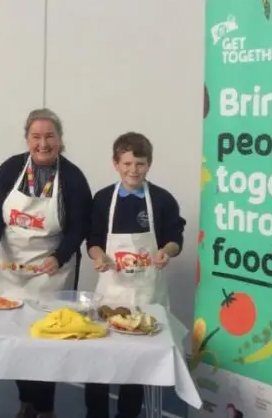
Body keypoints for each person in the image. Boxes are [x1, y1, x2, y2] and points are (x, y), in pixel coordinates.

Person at [0, 108, 92, 418]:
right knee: (16, 337)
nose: (43, 144)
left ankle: (45, 407)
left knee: (47, 340)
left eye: (50, 136)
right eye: (36, 137)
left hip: (52, 270)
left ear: (60, 139)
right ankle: (26, 400)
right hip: (12, 268)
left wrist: (59, 257)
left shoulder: (72, 177)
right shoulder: (10, 169)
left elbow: (80, 226)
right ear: (27, 139)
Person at [84, 132, 185, 418]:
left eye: (140, 164)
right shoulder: (104, 199)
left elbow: (175, 238)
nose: (133, 170)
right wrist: (99, 257)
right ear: (116, 164)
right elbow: (93, 240)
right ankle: (96, 414)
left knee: (138, 362)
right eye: (127, 163)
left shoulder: (162, 200)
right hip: (111, 293)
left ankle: (127, 413)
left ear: (149, 164)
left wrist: (167, 251)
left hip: (147, 292)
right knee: (98, 358)